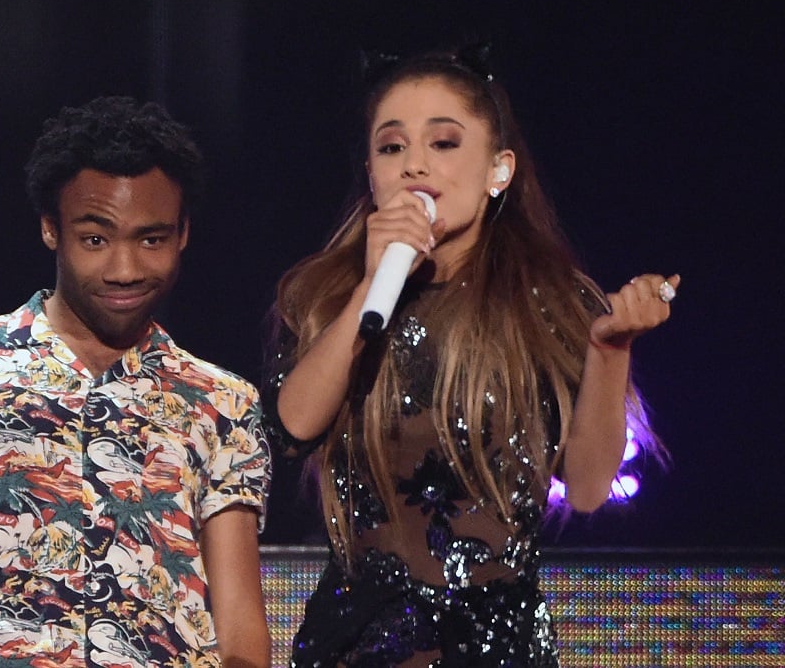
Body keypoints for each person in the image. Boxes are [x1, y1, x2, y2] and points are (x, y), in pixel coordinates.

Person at [262, 47, 679, 667]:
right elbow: (292, 425)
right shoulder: (321, 294)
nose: (416, 166)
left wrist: (609, 349)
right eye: (392, 147)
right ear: (372, 174)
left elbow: (589, 488)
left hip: (495, 645)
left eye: (445, 143)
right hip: (359, 641)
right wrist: (368, 288)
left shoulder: (549, 302)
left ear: (499, 170)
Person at [0, 96, 272, 668]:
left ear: (183, 234)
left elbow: (240, 620)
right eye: (96, 239)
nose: (124, 269)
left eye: (150, 239)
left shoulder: (222, 401)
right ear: (52, 229)